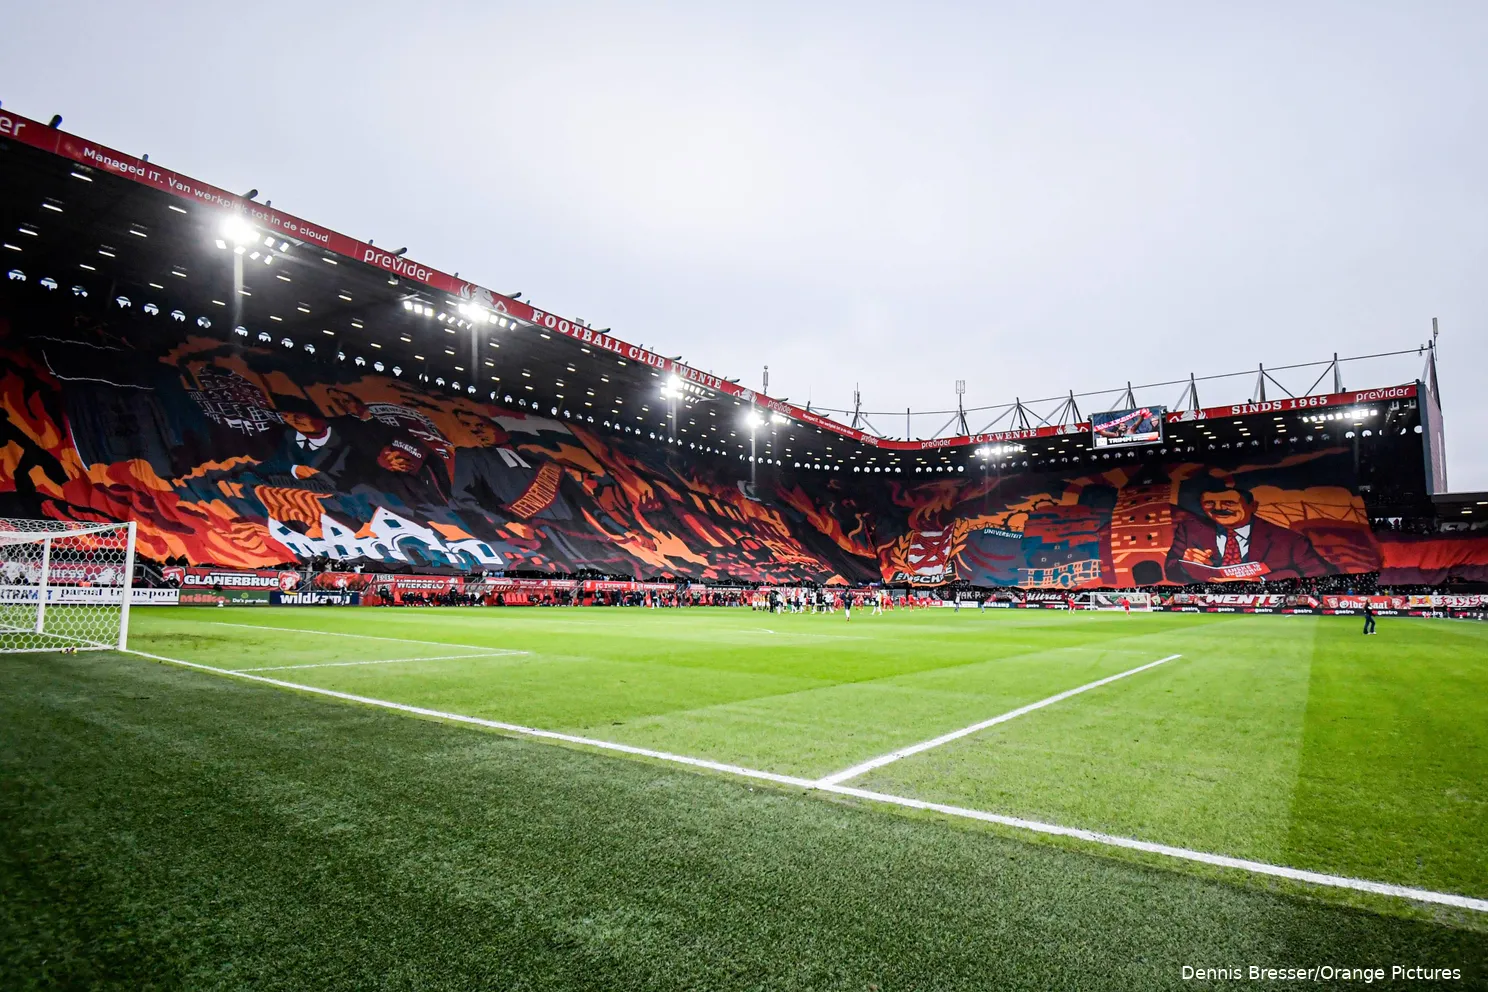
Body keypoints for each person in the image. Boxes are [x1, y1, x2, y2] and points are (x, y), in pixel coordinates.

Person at [1166, 484, 1337, 582]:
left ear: (1253, 507)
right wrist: (1186, 564)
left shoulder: (1289, 540)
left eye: (1228, 503)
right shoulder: (1190, 530)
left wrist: (1261, 581)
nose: (1218, 508)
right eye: (1209, 503)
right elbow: (1171, 571)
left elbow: (1321, 574)